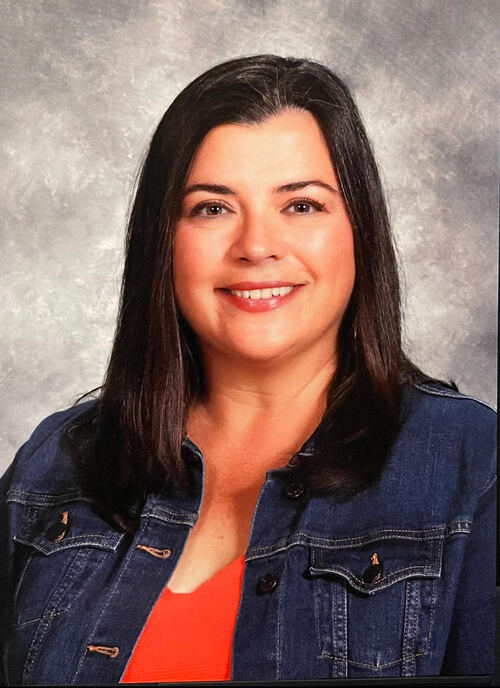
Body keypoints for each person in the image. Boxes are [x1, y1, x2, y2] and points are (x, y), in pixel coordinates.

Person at [0, 55, 495, 685]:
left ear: (359, 230)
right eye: (212, 209)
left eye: (302, 205)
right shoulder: (54, 464)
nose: (256, 246)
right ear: (163, 242)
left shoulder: (474, 466)